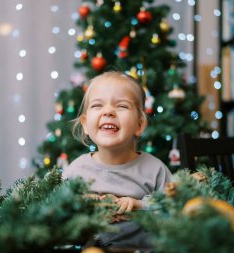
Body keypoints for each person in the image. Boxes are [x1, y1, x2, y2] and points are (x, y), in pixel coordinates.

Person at [62, 71, 172, 249]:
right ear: (85, 124)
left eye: (121, 106)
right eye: (98, 105)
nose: (108, 112)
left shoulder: (154, 169)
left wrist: (138, 205)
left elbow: (171, 206)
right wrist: (84, 202)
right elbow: (59, 207)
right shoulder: (77, 169)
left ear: (139, 124)